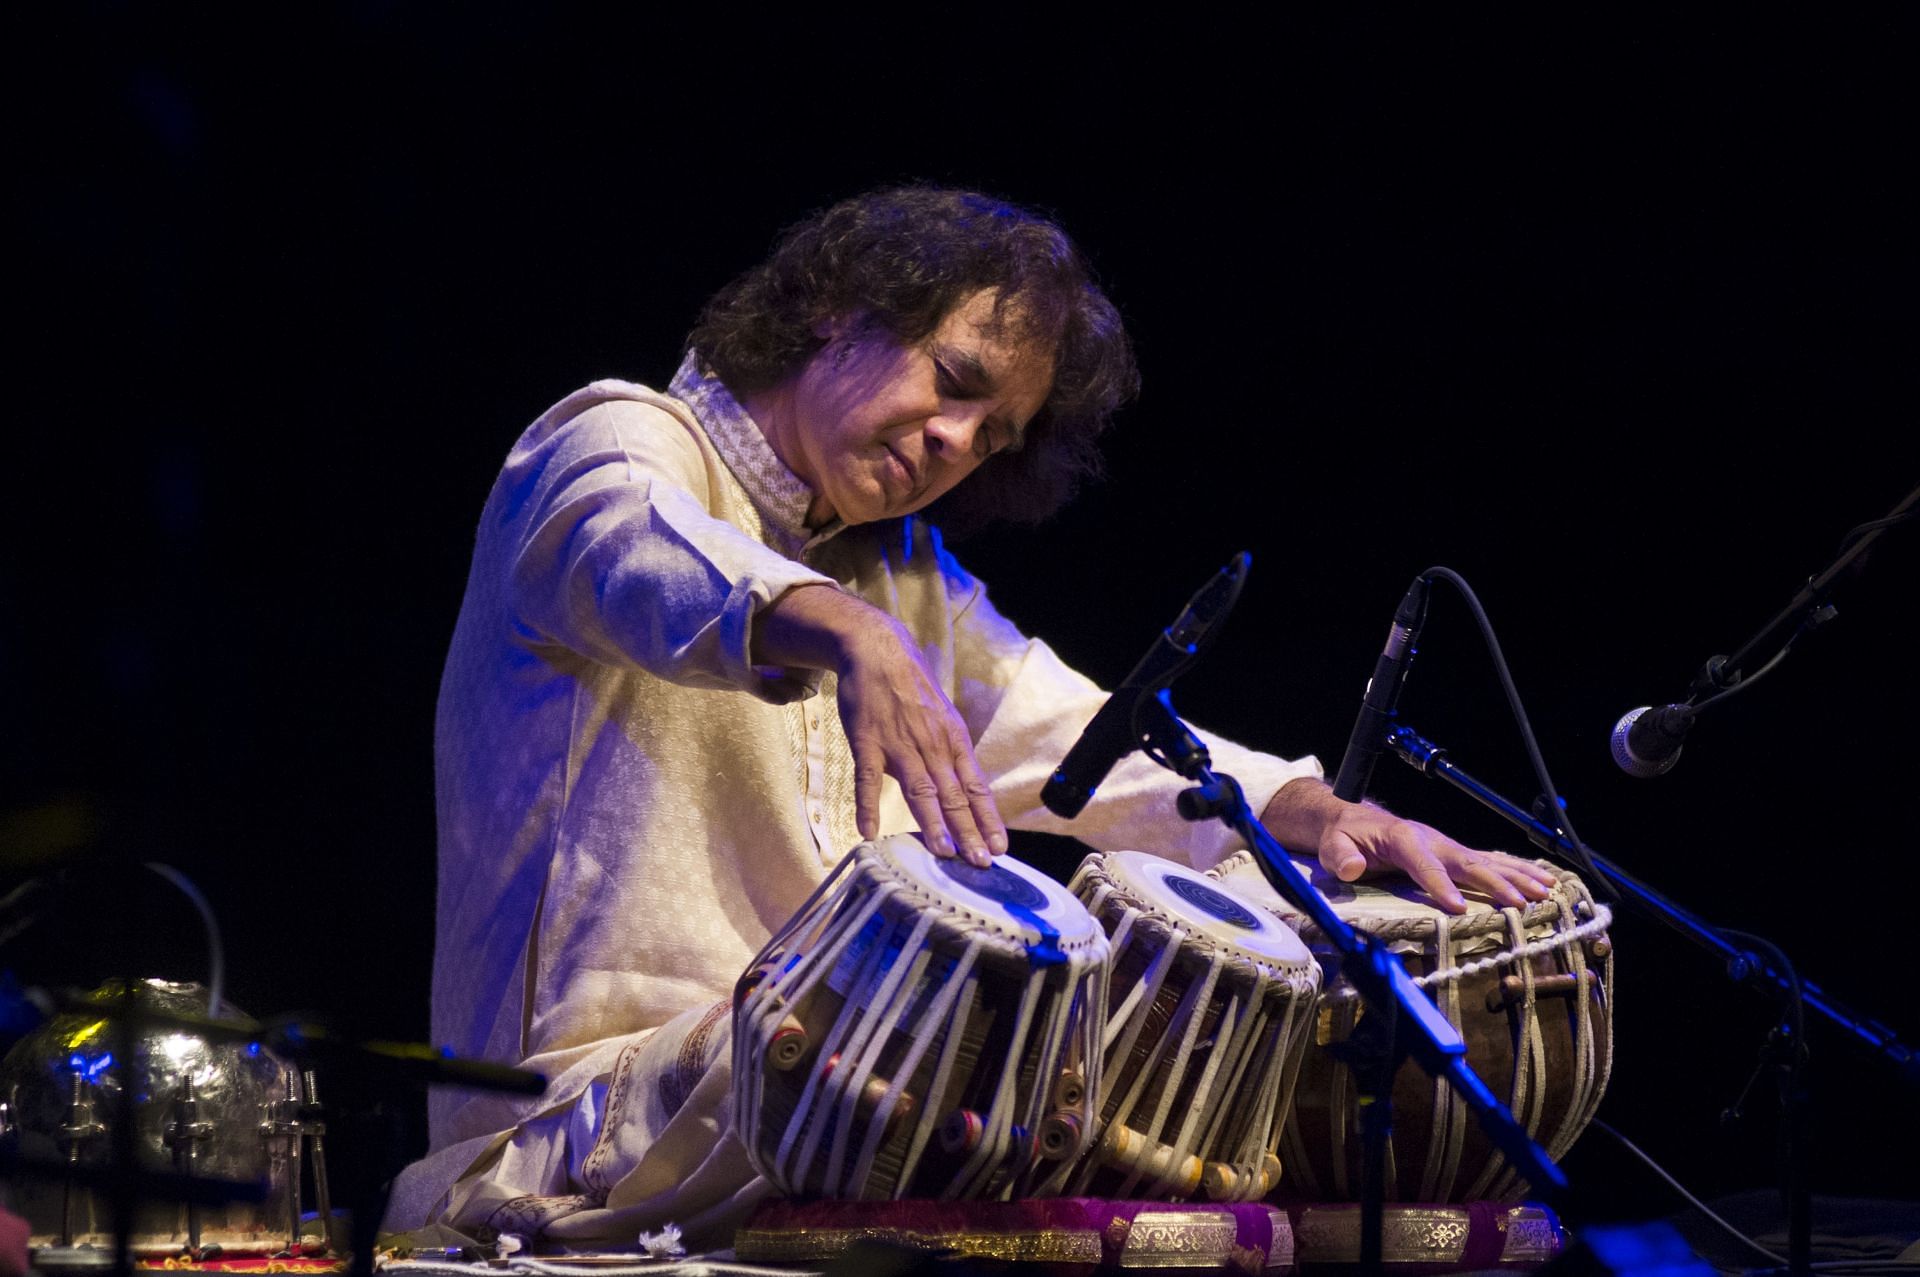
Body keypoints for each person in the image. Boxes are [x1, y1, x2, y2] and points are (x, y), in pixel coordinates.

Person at [385, 187, 1557, 1249]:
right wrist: (844, 630)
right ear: (836, 313)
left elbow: (1082, 738)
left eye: (992, 435)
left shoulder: (898, 574)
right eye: (952, 382)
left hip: (814, 1122)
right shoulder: (610, 441)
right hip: (572, 1133)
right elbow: (637, 549)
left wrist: (1311, 809)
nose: (955, 444)